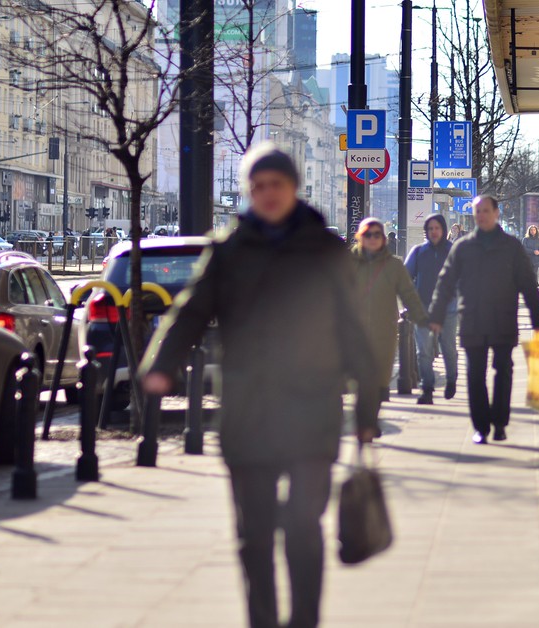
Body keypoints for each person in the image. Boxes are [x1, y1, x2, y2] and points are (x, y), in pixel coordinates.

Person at [139, 143, 377, 628]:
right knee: (254, 536)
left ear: (294, 188)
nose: (267, 194)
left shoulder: (326, 251)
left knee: (303, 529)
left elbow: (355, 330)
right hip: (249, 412)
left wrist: (368, 411)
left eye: (277, 185)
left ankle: (304, 620)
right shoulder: (230, 250)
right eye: (258, 186)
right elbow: (191, 311)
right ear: (250, 192)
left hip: (312, 411)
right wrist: (162, 363)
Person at [428, 196, 539, 445]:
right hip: (471, 319)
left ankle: (500, 423)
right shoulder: (463, 248)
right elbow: (445, 282)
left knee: (503, 371)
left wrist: (537, 317)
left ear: (495, 214)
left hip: (503, 318)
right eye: (477, 211)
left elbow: (527, 283)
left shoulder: (511, 246)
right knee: (475, 374)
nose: (481, 215)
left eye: (485, 211)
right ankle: (481, 426)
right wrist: (437, 315)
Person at [350, 217, 430, 413]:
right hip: (356, 330)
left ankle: (371, 418)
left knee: (380, 380)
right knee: (361, 378)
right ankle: (365, 423)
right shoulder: (348, 263)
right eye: (368, 234)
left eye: (377, 234)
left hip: (384, 329)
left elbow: (408, 293)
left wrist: (421, 319)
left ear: (383, 239)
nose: (373, 239)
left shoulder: (394, 265)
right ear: (360, 237)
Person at [404, 214, 458, 405]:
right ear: (426, 231)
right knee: (424, 351)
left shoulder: (453, 251)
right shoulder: (419, 251)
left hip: (448, 309)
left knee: (448, 348)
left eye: (437, 228)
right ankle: (427, 388)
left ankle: (452, 379)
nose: (434, 232)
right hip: (423, 309)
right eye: (430, 229)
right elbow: (405, 277)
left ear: (443, 230)